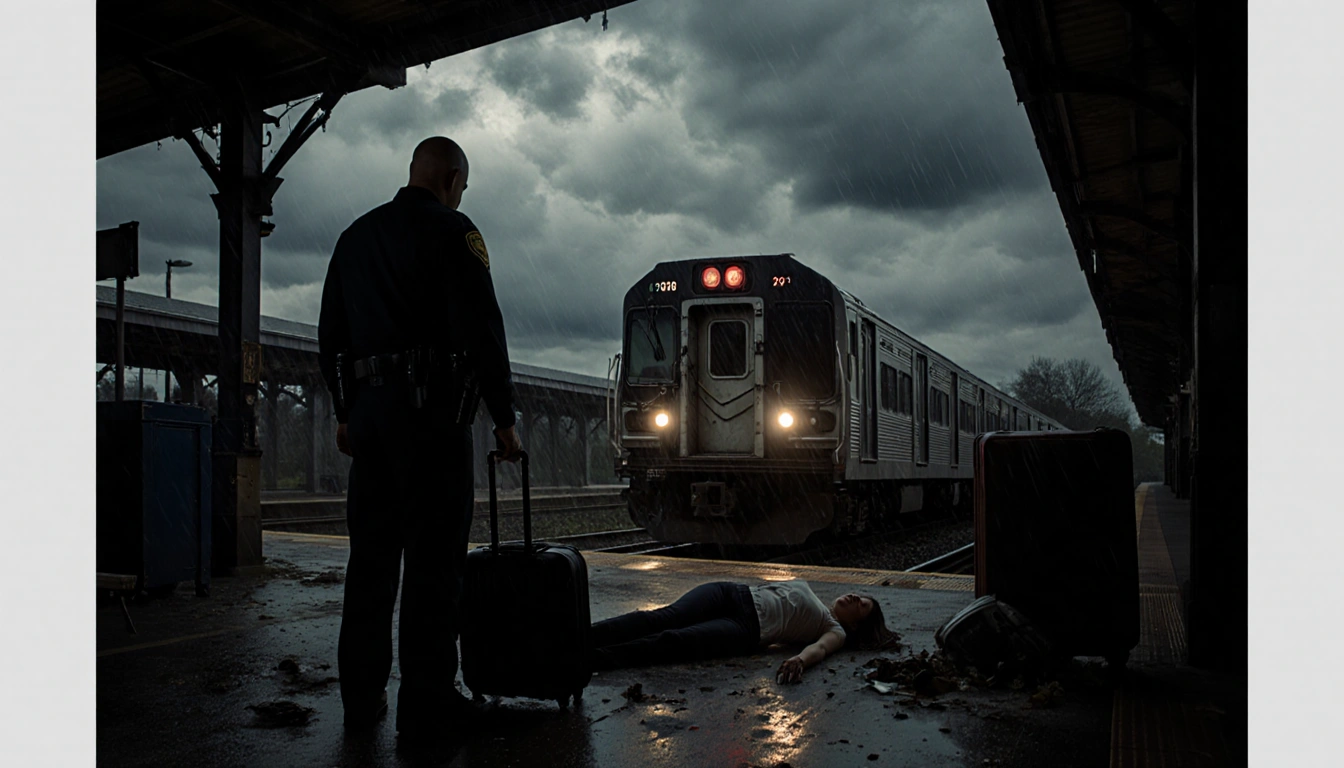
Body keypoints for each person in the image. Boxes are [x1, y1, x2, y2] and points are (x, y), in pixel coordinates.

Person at [318, 136, 524, 736]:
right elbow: (485, 330)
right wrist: (504, 417)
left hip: (372, 423)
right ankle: (426, 702)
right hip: (431, 420)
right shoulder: (455, 233)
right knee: (434, 567)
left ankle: (361, 699)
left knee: (371, 564)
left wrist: (345, 409)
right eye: (462, 186)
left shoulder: (355, 237)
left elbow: (331, 335)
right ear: (452, 177)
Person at [589, 580, 900, 683]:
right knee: (662, 618)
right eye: (860, 596)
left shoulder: (834, 629)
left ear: (856, 624)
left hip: (745, 628)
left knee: (674, 641)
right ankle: (584, 635)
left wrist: (800, 661)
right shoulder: (816, 596)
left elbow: (820, 649)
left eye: (862, 607)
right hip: (731, 593)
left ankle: (592, 659)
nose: (856, 599)